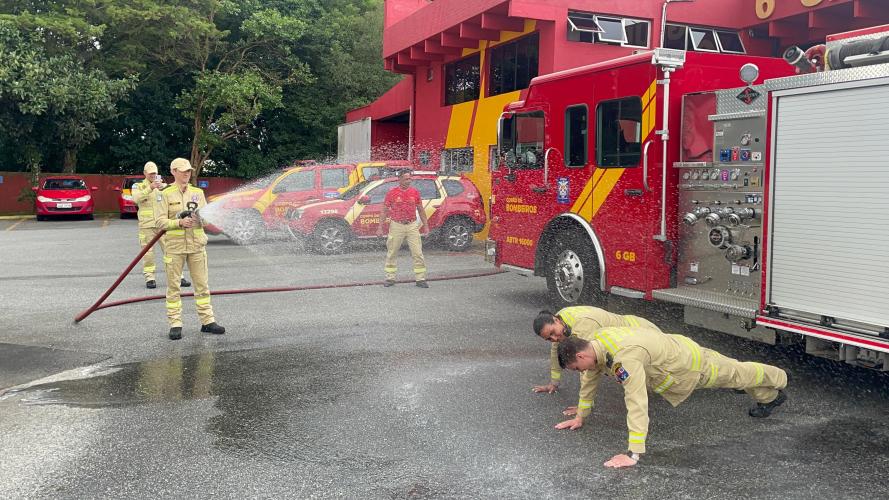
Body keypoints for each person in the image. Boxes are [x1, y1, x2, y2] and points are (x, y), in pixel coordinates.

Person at [557, 327, 789, 468]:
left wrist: (633, 453)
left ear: (581, 354)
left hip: (688, 366)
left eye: (578, 367)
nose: (583, 372)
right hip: (676, 346)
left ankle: (780, 378)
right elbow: (589, 380)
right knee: (735, 370)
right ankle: (770, 397)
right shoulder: (598, 341)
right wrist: (581, 415)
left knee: (737, 374)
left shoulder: (624, 359)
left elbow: (636, 401)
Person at [532, 307, 662, 421]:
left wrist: (583, 409)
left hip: (645, 333)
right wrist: (553, 383)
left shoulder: (583, 326)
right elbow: (556, 350)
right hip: (633, 337)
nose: (554, 339)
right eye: (549, 338)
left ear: (556, 320)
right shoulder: (561, 320)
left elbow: (588, 370)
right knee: (634, 378)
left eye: (553, 333)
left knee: (651, 379)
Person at [154, 158, 225, 340]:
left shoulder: (197, 193)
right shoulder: (164, 194)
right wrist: (179, 222)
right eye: (183, 171)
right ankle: (175, 324)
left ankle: (207, 321)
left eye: (189, 171)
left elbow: (207, 220)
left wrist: (200, 219)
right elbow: (159, 221)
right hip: (175, 248)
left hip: (196, 246)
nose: (187, 174)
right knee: (174, 287)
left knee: (202, 286)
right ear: (174, 172)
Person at [132, 161, 190, 289]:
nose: (153, 176)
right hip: (146, 226)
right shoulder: (138, 186)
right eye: (151, 173)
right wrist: (150, 188)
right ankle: (150, 278)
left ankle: (178, 276)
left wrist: (164, 187)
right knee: (148, 253)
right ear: (145, 173)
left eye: (155, 173)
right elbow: (135, 199)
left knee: (171, 251)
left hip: (162, 225)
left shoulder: (163, 186)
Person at [376, 170, 430, 288]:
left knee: (417, 253)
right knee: (392, 252)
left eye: (410, 179)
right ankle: (390, 278)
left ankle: (420, 279)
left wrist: (426, 226)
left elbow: (421, 209)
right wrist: (380, 227)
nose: (409, 181)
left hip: (412, 225)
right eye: (406, 179)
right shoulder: (392, 193)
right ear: (399, 179)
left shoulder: (414, 192)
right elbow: (384, 210)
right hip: (396, 225)